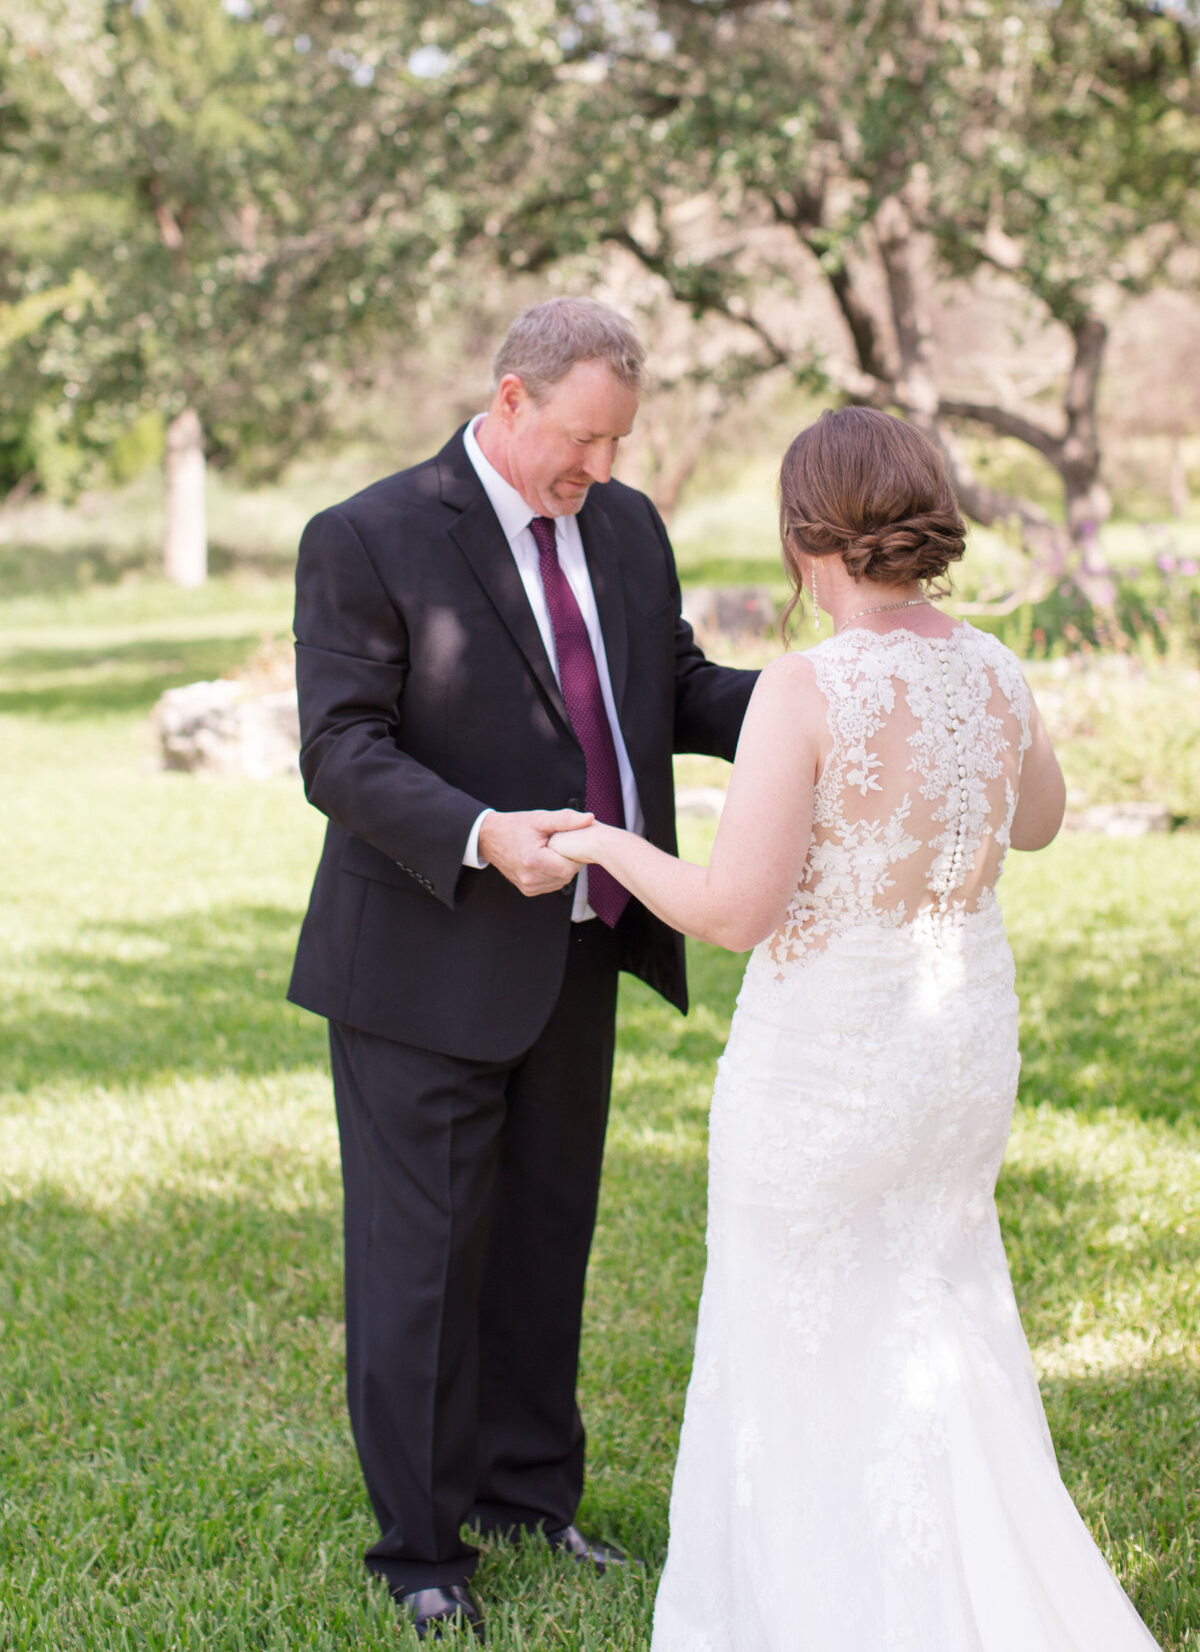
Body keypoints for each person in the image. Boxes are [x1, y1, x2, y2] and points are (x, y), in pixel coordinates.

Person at [551, 406, 1162, 1650]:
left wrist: (603, 839)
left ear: (800, 537)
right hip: (956, 1057)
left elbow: (733, 911)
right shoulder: (993, 664)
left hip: (825, 1072)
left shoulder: (808, 686)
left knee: (800, 1339)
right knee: (937, 1306)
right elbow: (1036, 823)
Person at [287, 298, 758, 1638]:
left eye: (617, 444)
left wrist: (819, 702)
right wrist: (486, 837)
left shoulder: (624, 524)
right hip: (422, 963)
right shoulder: (368, 536)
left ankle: (527, 1497)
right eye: (583, 440)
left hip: (586, 946)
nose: (598, 471)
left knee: (548, 1240)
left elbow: (667, 686)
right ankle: (422, 1551)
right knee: (427, 1260)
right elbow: (341, 751)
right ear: (511, 400)